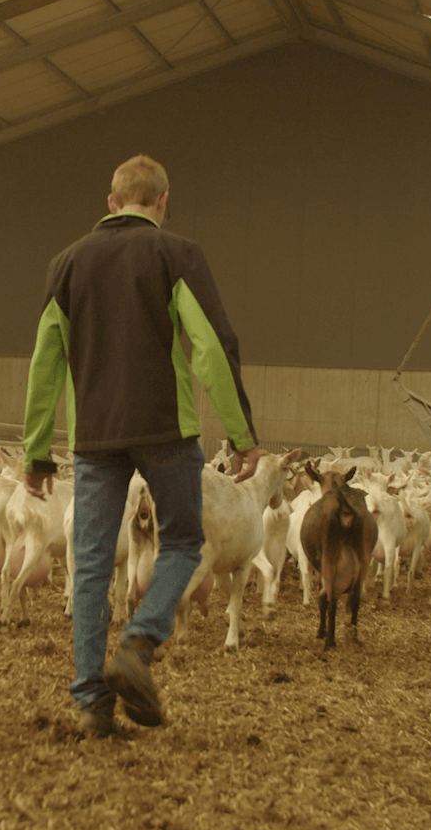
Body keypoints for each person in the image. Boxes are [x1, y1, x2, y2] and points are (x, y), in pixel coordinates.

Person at [21, 155, 260, 736]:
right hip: (164, 430)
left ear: (111, 203)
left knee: (93, 565)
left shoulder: (66, 264)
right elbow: (209, 344)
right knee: (182, 542)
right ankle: (141, 638)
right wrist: (242, 431)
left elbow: (45, 360)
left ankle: (91, 703)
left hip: (94, 435)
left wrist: (35, 449)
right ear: (162, 201)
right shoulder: (176, 255)